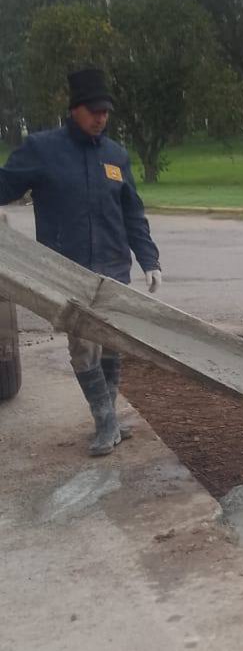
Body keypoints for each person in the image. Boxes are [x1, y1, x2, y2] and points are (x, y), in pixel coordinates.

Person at [0, 67, 163, 456]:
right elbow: (5, 184)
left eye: (105, 111)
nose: (101, 118)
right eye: (93, 110)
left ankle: (108, 417)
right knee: (83, 348)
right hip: (67, 271)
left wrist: (149, 260)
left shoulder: (115, 156)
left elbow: (132, 214)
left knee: (112, 345)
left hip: (113, 270)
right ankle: (105, 420)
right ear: (74, 109)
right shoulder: (43, 150)